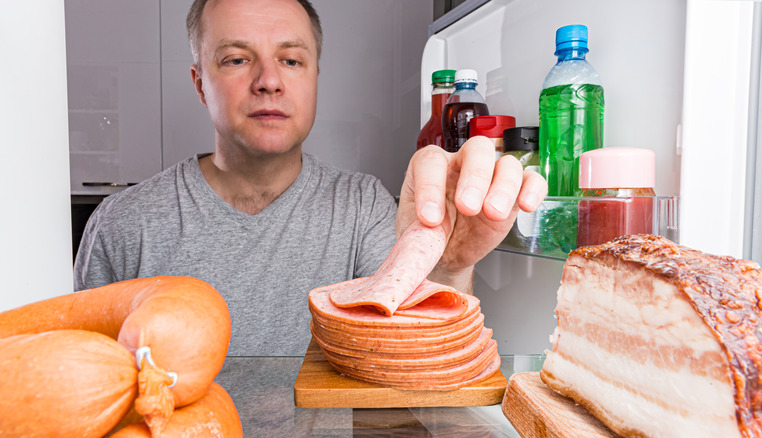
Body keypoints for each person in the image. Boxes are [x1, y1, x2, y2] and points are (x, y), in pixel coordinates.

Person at [73, 0, 547, 356]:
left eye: (291, 60)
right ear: (200, 83)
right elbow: (85, 384)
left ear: (315, 75)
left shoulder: (363, 208)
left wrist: (448, 266)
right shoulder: (124, 224)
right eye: (237, 59)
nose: (269, 80)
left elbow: (413, 355)